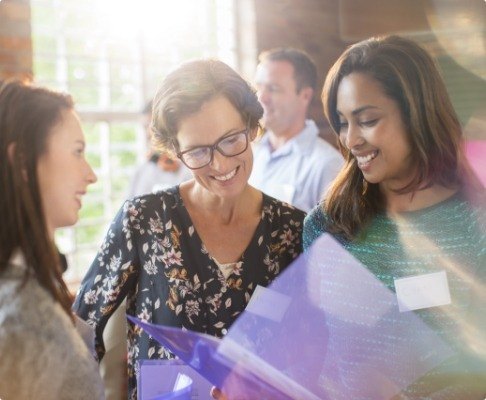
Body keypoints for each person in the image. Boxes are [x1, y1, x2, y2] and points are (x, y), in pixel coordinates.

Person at [73, 59, 306, 399]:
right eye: (198, 151)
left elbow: (310, 352)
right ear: (175, 152)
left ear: (252, 127)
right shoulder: (144, 219)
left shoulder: (291, 231)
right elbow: (80, 334)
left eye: (230, 140)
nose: (220, 164)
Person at [304, 35, 485, 397]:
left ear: (416, 113)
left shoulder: (475, 224)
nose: (351, 139)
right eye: (342, 123)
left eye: (367, 120)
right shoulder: (328, 225)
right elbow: (313, 348)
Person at [0, 80, 102, 399]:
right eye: (77, 152)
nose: (91, 174)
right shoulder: (19, 318)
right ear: (23, 161)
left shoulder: (31, 283)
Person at [249, 48, 343, 212]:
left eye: (273, 88)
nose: (261, 98)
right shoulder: (250, 154)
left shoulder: (327, 165)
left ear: (305, 96)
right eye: (259, 87)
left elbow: (334, 236)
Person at [127, 101, 192, 198]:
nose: (148, 134)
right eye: (145, 127)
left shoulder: (191, 167)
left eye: (153, 127)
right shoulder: (141, 170)